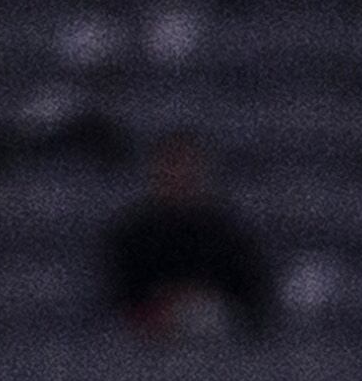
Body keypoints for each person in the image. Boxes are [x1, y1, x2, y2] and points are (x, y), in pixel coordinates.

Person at [100, 133, 271, 339]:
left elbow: (251, 297)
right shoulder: (131, 233)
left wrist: (200, 299)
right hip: (145, 335)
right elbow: (118, 294)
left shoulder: (227, 234)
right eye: (170, 167)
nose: (178, 176)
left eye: (186, 167)